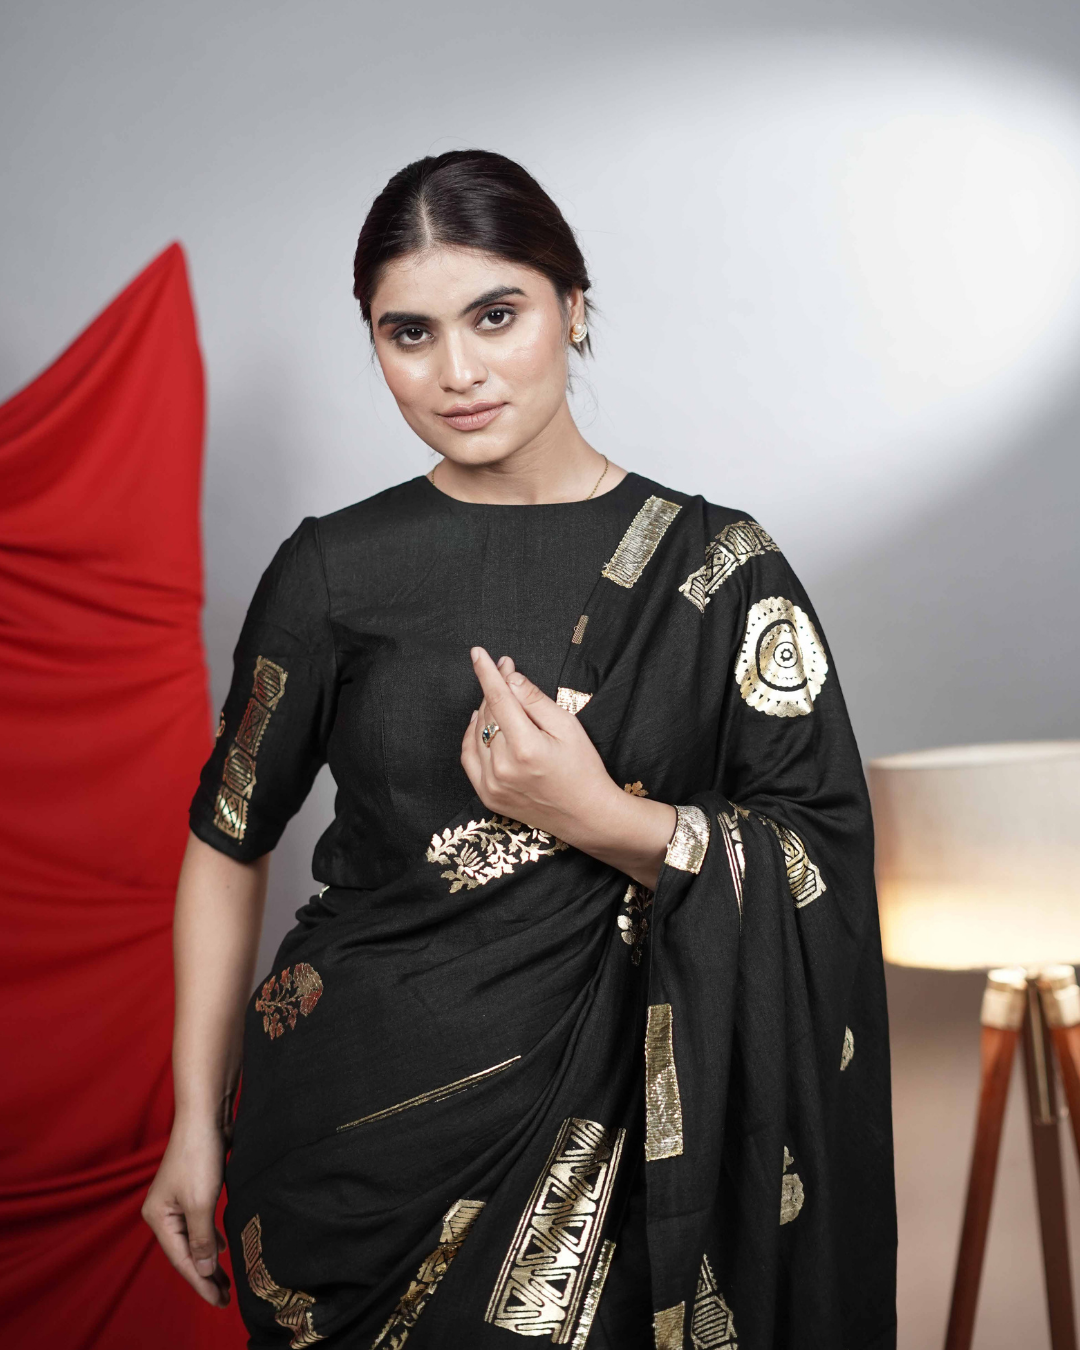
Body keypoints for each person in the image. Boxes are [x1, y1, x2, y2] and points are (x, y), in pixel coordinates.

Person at [143, 149, 896, 1349]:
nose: (458, 371)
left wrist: (597, 816)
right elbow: (228, 840)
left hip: (635, 1153)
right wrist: (192, 1122)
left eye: (497, 315)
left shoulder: (720, 573)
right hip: (352, 1144)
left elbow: (824, 856)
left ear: (573, 307)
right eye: (410, 333)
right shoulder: (333, 569)